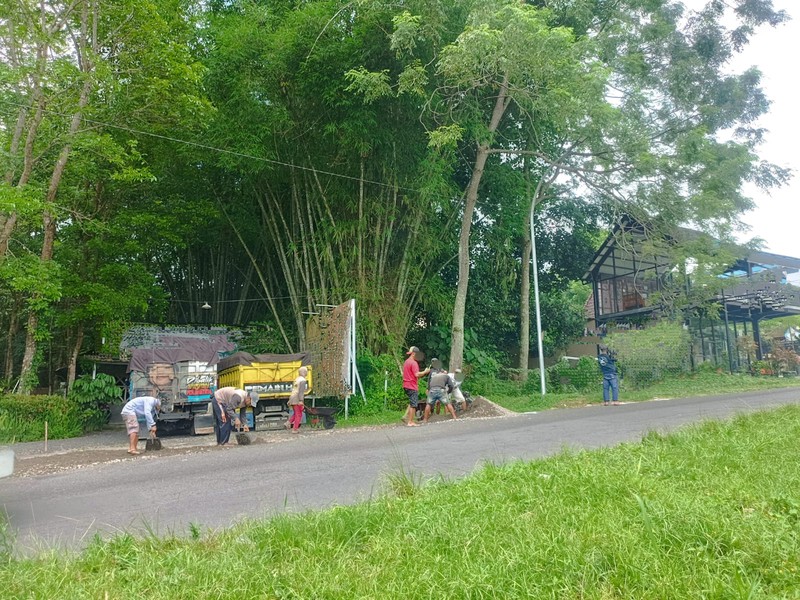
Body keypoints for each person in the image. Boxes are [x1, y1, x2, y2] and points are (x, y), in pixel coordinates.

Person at [402, 346, 430, 427]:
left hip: (406, 385)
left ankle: (408, 418)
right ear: (414, 354)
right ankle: (410, 422)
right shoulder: (413, 363)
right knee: (414, 405)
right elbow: (417, 374)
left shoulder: (406, 361)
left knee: (412, 402)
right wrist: (425, 372)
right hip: (411, 385)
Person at [286, 366, 308, 434]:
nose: (307, 373)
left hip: (292, 397)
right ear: (304, 372)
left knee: (296, 413)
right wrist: (301, 401)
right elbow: (301, 391)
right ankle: (295, 429)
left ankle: (288, 422)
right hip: (297, 398)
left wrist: (290, 400)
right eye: (306, 371)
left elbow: (294, 390)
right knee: (299, 414)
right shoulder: (303, 380)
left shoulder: (297, 379)